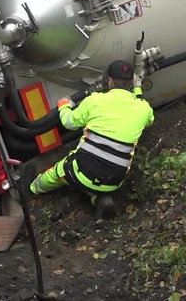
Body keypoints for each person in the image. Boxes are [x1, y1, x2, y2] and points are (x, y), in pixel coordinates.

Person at [28, 60, 154, 219]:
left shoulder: (95, 100)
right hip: (115, 180)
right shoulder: (144, 109)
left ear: (109, 81)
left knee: (55, 174)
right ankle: (99, 196)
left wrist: (64, 105)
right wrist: (138, 89)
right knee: (93, 173)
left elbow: (69, 123)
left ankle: (32, 190)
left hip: (83, 172)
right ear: (131, 83)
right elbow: (149, 120)